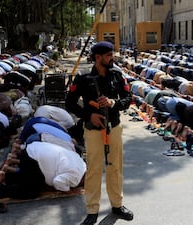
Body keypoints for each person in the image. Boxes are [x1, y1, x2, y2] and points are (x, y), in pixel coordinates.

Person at [65, 41, 133, 225]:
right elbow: (69, 103)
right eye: (109, 55)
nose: (112, 58)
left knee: (115, 167)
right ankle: (92, 210)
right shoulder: (83, 77)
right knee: (94, 169)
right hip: (93, 130)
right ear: (98, 57)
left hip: (114, 127)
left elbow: (128, 99)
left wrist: (113, 103)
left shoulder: (117, 75)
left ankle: (117, 205)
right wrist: (90, 115)